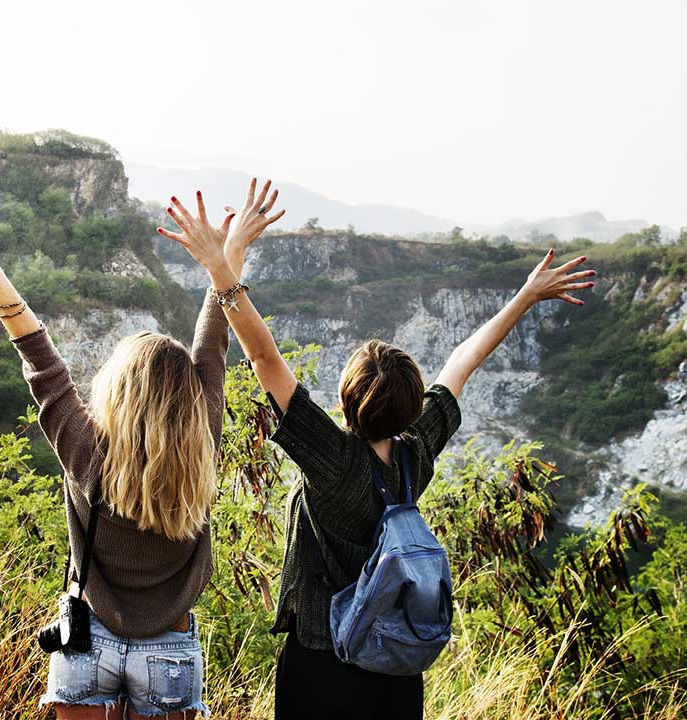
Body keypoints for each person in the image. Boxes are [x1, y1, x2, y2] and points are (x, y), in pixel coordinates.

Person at [158, 180, 595, 719]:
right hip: (395, 666)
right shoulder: (417, 454)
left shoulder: (335, 461)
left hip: (323, 662)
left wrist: (219, 267)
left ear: (347, 397)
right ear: (412, 406)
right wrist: (525, 297)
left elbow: (264, 357)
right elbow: (463, 362)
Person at [0, 198, 279, 719]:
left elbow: (40, 360)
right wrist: (226, 257)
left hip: (86, 640)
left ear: (117, 390)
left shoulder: (85, 448)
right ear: (189, 398)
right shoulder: (202, 439)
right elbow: (213, 343)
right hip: (170, 646)